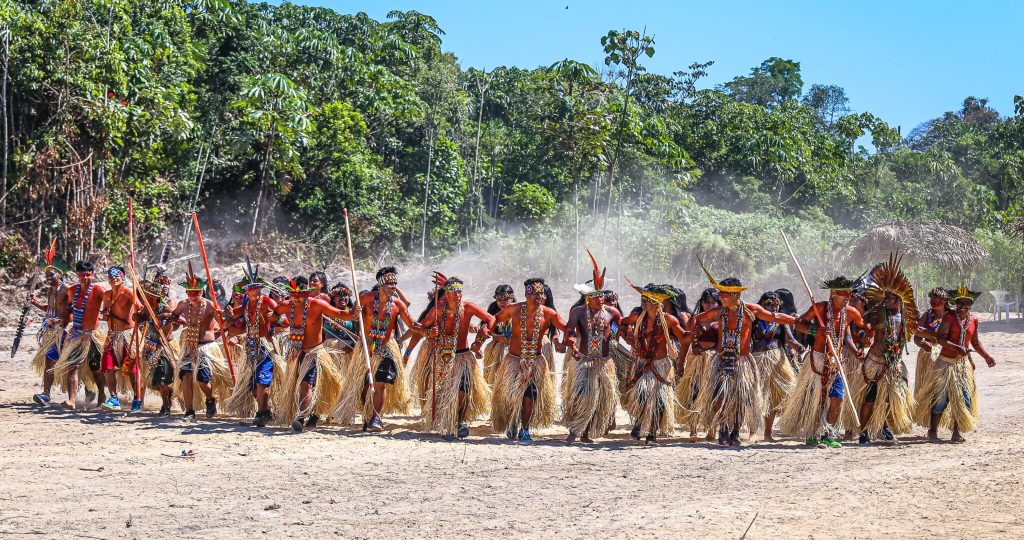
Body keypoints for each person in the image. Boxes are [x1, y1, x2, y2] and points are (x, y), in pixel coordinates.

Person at [686, 267, 797, 447]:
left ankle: (735, 432)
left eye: (724, 293)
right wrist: (694, 339)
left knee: (739, 399)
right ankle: (723, 428)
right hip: (721, 360)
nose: (720, 296)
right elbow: (695, 320)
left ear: (735, 295)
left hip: (742, 361)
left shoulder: (749, 310)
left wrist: (796, 321)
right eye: (720, 292)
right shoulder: (718, 312)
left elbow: (774, 316)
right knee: (719, 396)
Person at [779, 276, 868, 448]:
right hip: (817, 360)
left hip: (837, 361)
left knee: (837, 399)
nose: (847, 298)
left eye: (849, 295)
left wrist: (862, 342)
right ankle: (812, 433)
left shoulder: (851, 313)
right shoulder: (819, 308)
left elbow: (858, 330)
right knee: (815, 399)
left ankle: (827, 434)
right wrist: (814, 330)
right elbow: (799, 324)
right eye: (844, 295)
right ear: (833, 293)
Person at [333, 267, 417, 432]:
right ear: (381, 285)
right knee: (364, 385)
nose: (394, 287)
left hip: (385, 348)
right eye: (390, 284)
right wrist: (354, 311)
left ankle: (376, 418)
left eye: (395, 283)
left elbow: (413, 325)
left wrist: (428, 330)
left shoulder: (397, 304)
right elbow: (351, 314)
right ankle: (367, 414)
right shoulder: (367, 298)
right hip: (365, 347)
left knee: (380, 384)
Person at [413, 276, 494, 439]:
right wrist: (429, 332)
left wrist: (482, 334)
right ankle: (446, 424)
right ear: (446, 293)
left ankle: (461, 421)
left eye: (460, 291)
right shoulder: (437, 310)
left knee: (463, 390)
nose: (457, 294)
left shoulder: (469, 307)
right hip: (442, 357)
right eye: (453, 291)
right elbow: (421, 328)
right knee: (443, 391)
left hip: (463, 356)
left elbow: (490, 319)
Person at [913, 284, 996, 443]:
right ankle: (932, 431)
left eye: (966, 303)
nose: (962, 307)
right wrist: (957, 348)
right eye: (959, 303)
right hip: (944, 362)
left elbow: (975, 342)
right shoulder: (949, 318)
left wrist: (986, 357)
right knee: (940, 399)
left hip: (961, 364)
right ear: (955, 303)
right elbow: (941, 340)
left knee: (963, 398)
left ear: (971, 304)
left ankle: (956, 432)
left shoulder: (974, 320)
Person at [490, 277, 569, 443]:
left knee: (530, 394)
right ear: (527, 295)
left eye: (542, 294)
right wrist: (483, 334)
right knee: (512, 395)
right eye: (536, 294)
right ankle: (513, 419)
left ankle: (524, 429)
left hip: (536, 361)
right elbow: (494, 320)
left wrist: (571, 340)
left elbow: (567, 328)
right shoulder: (513, 309)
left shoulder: (549, 313)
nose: (540, 297)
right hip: (513, 361)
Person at [853, 255, 921, 444]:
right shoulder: (876, 313)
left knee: (890, 400)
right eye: (887, 297)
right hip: (875, 361)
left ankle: (885, 428)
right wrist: (862, 338)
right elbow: (859, 326)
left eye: (892, 298)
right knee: (870, 398)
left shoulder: (908, 317)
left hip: (894, 364)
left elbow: (912, 335)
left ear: (900, 299)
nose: (888, 301)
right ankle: (864, 432)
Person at [272, 276, 347, 431]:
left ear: (306, 294)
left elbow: (339, 313)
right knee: (299, 385)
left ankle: (300, 416)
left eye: (300, 296)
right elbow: (274, 313)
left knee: (306, 384)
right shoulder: (287, 305)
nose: (296, 299)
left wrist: (354, 312)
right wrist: (276, 319)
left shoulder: (317, 305)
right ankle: (311, 413)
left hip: (314, 352)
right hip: (295, 352)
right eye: (293, 296)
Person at [620, 281, 689, 445]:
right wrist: (627, 335)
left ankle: (652, 433)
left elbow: (683, 337)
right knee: (641, 396)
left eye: (647, 299)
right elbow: (620, 324)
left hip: (661, 364)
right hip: (642, 363)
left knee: (659, 401)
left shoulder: (669, 320)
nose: (643, 302)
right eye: (643, 298)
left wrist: (696, 334)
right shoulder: (637, 317)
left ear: (658, 302)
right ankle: (639, 422)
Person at [225, 268, 288, 428]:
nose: (253, 293)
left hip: (265, 346)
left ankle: (261, 413)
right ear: (246, 291)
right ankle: (265, 410)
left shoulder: (267, 302)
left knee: (262, 380)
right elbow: (235, 313)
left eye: (256, 290)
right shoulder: (246, 303)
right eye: (250, 290)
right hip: (250, 347)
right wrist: (228, 313)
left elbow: (285, 321)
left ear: (260, 290)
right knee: (251, 385)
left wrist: (274, 318)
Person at [171, 263, 233, 421]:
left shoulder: (210, 305)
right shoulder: (183, 305)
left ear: (202, 291)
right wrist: (170, 320)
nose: (194, 295)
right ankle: (189, 411)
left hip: (206, 348)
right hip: (188, 347)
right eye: (191, 292)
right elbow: (174, 318)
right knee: (185, 376)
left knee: (202, 380)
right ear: (186, 292)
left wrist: (226, 316)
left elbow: (224, 324)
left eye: (197, 292)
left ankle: (210, 399)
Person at [562, 283, 621, 444]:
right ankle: (573, 431)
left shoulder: (612, 313)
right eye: (596, 296)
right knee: (580, 396)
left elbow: (618, 330)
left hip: (604, 362)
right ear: (588, 297)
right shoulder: (578, 312)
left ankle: (585, 433)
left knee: (597, 398)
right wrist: (572, 343)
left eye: (602, 295)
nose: (601, 299)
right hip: (584, 361)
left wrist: (627, 337)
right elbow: (569, 330)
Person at [51, 261, 106, 410]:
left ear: (93, 275)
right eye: (82, 275)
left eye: (88, 275)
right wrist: (61, 321)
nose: (85, 278)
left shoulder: (98, 290)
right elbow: (68, 309)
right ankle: (72, 400)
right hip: (76, 334)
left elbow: (109, 305)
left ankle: (102, 395)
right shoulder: (72, 290)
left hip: (93, 335)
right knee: (72, 366)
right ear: (77, 275)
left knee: (96, 368)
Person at [752, 291, 802, 442]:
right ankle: (752, 432)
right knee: (755, 396)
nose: (772, 308)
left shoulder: (781, 321)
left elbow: (790, 339)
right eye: (768, 304)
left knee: (773, 398)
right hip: (758, 360)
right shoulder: (754, 320)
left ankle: (767, 433)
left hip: (777, 362)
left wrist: (798, 346)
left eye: (775, 305)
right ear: (761, 305)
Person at [675, 287, 720, 442]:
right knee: (694, 393)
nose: (710, 305)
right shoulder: (695, 319)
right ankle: (693, 429)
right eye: (706, 302)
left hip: (714, 360)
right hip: (696, 361)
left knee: (713, 395)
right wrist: (681, 363)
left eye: (713, 302)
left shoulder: (723, 319)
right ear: (701, 303)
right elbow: (686, 342)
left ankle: (712, 429)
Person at [29, 242, 68, 407]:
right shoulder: (51, 291)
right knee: (49, 360)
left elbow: (72, 310)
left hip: (65, 332)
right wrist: (35, 303)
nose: (48, 278)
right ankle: (46, 394)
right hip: (51, 332)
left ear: (59, 276)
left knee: (74, 364)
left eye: (52, 275)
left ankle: (91, 391)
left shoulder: (65, 290)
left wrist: (64, 324)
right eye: (47, 276)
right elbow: (50, 308)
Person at [98, 266, 142, 412]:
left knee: (131, 369)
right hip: (112, 336)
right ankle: (113, 398)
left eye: (117, 276)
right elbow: (105, 315)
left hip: (127, 336)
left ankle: (137, 398)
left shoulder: (128, 292)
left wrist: (138, 315)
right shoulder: (106, 295)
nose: (114, 278)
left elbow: (140, 308)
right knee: (108, 367)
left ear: (122, 278)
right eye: (111, 276)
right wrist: (105, 315)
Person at [134, 273, 178, 416]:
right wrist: (138, 317)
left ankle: (167, 404)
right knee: (155, 380)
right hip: (150, 345)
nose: (164, 287)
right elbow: (141, 318)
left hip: (164, 346)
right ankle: (146, 400)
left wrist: (169, 319)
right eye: (161, 284)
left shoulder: (169, 304)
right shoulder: (148, 306)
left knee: (165, 377)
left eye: (167, 284)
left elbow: (176, 321)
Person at [913, 288, 949, 404]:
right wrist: (923, 344)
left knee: (942, 388)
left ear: (944, 300)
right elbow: (916, 336)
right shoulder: (927, 315)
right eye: (931, 298)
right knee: (927, 386)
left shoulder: (951, 316)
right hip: (927, 355)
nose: (932, 301)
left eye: (935, 298)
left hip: (946, 355)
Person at [482, 285, 516, 385]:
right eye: (499, 298)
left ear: (512, 297)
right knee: (495, 377)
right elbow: (486, 328)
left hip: (515, 350)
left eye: (505, 298)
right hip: (497, 349)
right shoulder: (493, 312)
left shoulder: (519, 311)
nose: (502, 302)